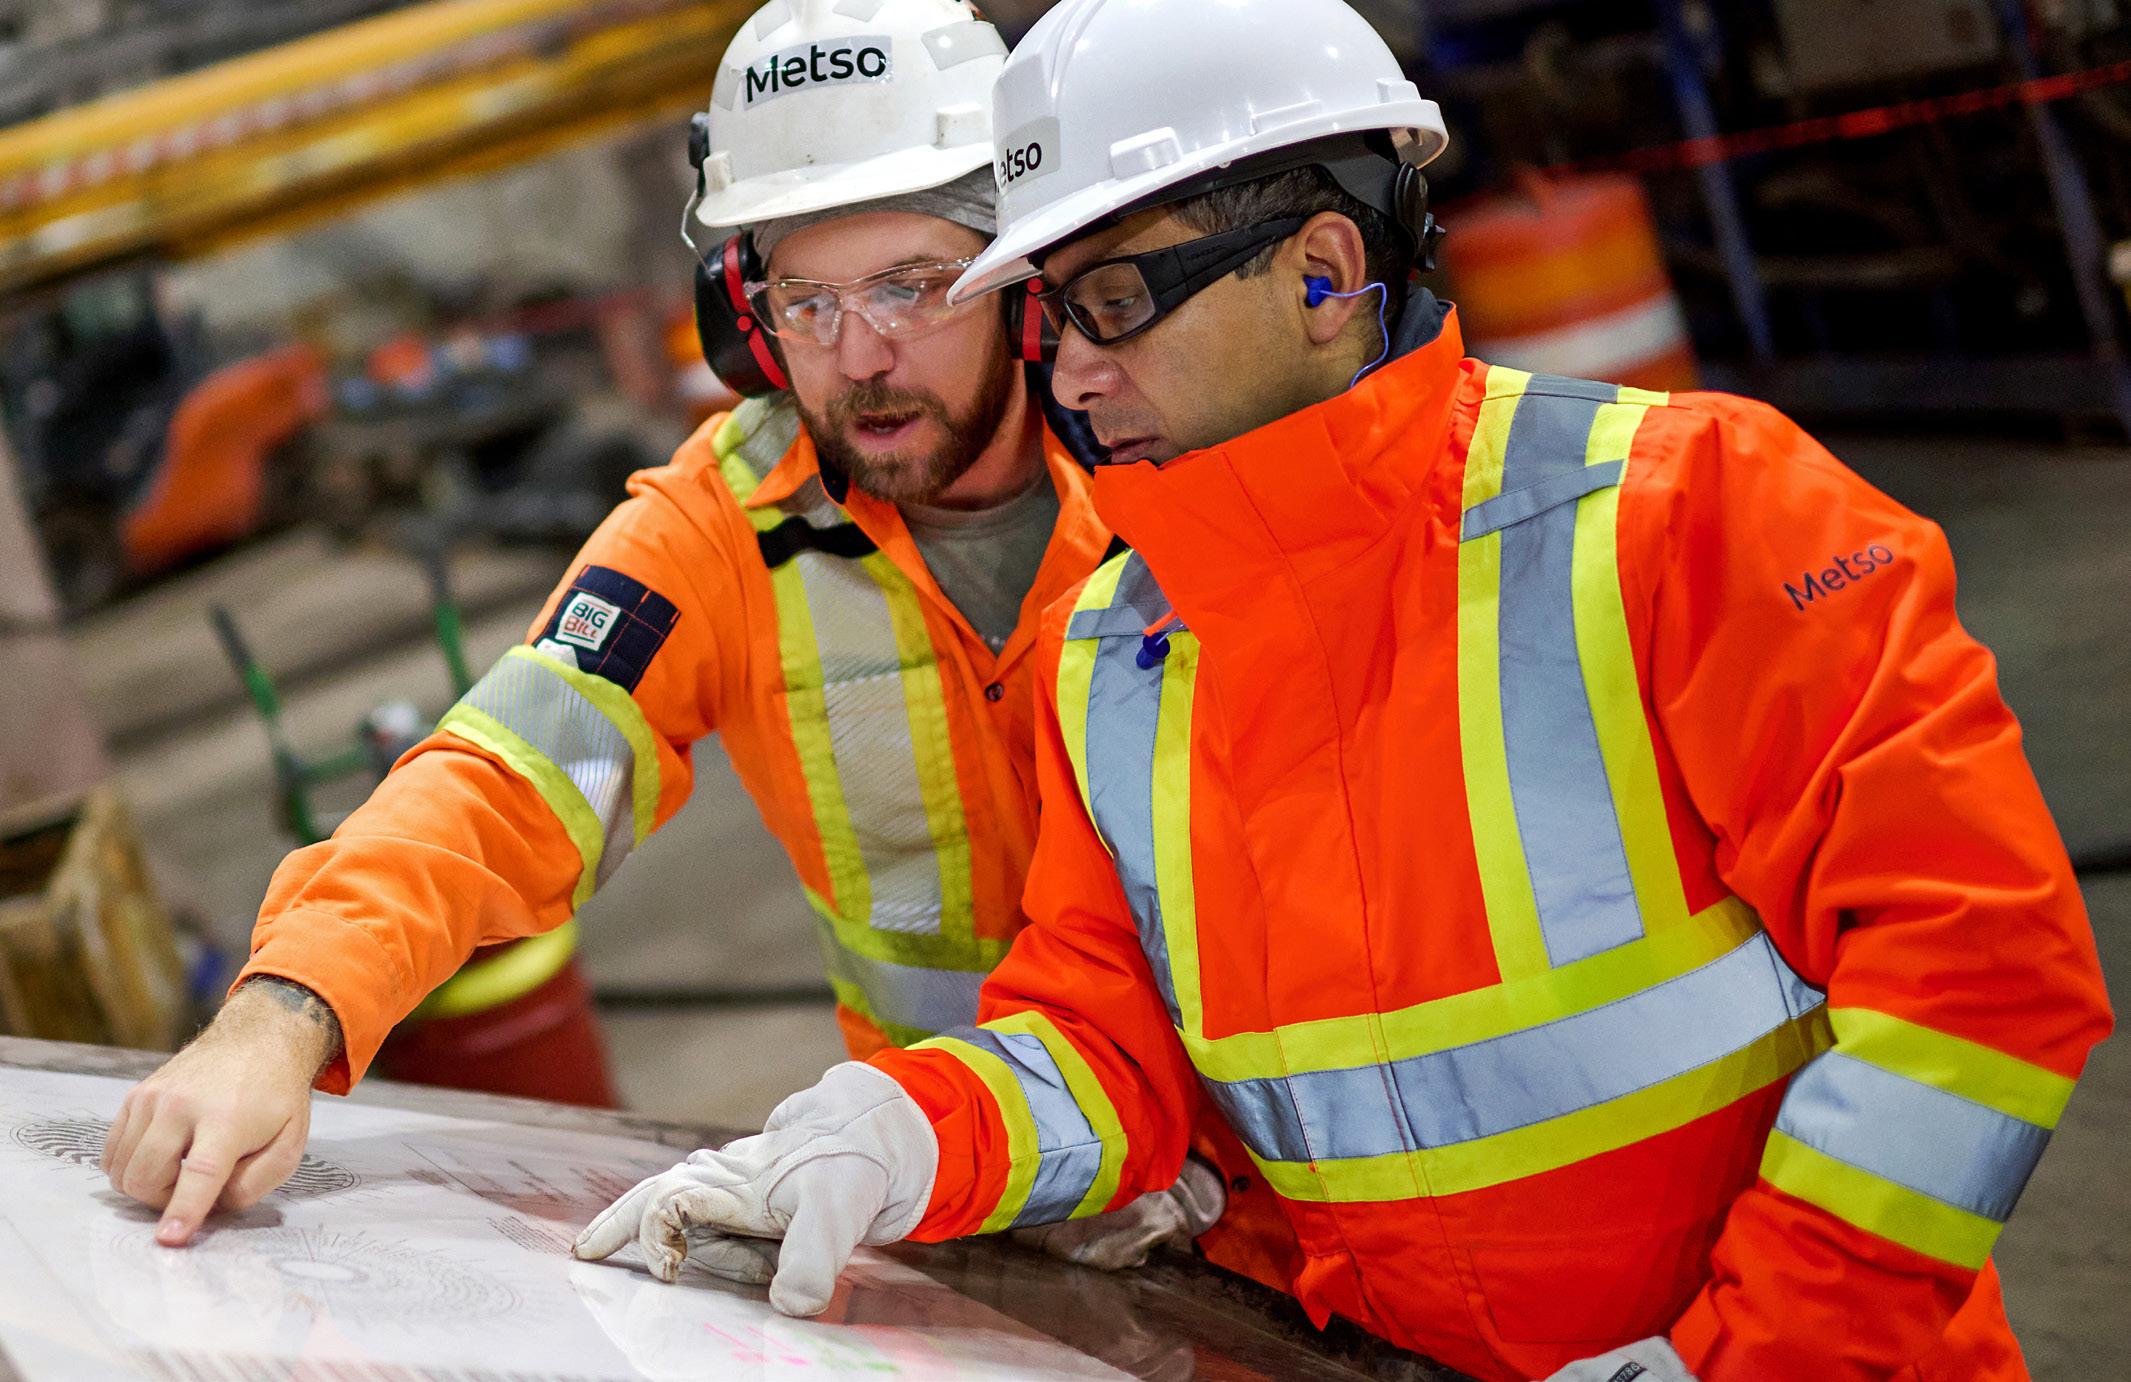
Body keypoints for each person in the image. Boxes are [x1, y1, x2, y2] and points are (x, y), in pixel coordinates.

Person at [569, 2, 2114, 1380]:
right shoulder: (1118, 649)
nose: (1070, 376)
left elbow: (1974, 980)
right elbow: (1106, 1043)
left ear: (1321, 270)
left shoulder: (1690, 515)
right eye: (1049, 312)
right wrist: (904, 1131)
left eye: (1111, 301)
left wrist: (1746, 1363)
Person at [100, 0, 1276, 1283]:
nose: (860, 357)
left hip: (1288, 1193)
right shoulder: (726, 529)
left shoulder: (1185, 441)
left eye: (911, 286)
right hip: (969, 1199)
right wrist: (284, 1011)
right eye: (806, 301)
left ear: (1021, 279)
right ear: (745, 315)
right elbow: (508, 774)